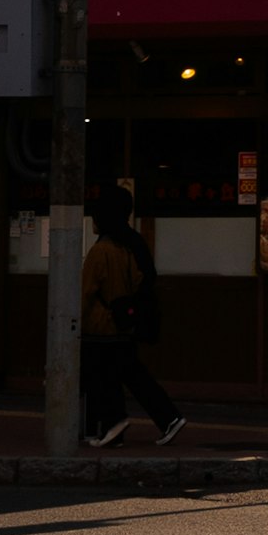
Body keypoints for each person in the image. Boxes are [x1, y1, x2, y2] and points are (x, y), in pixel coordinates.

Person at [75, 183, 184, 449]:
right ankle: (160, 419)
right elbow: (141, 281)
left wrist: (71, 323)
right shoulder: (129, 246)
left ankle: (111, 424)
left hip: (99, 326)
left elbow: (84, 292)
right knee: (126, 372)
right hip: (123, 324)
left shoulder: (100, 251)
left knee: (98, 374)